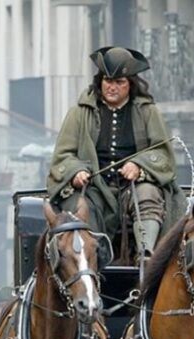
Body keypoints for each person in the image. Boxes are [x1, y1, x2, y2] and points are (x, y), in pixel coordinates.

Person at [47, 46, 186, 258]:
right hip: (93, 189)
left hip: (132, 186)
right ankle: (88, 260)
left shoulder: (148, 112)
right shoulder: (79, 114)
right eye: (108, 81)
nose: (112, 87)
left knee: (148, 194)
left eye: (119, 82)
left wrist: (140, 166)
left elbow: (163, 155)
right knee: (80, 206)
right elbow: (63, 156)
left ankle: (146, 255)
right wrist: (75, 173)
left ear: (130, 84)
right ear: (100, 81)